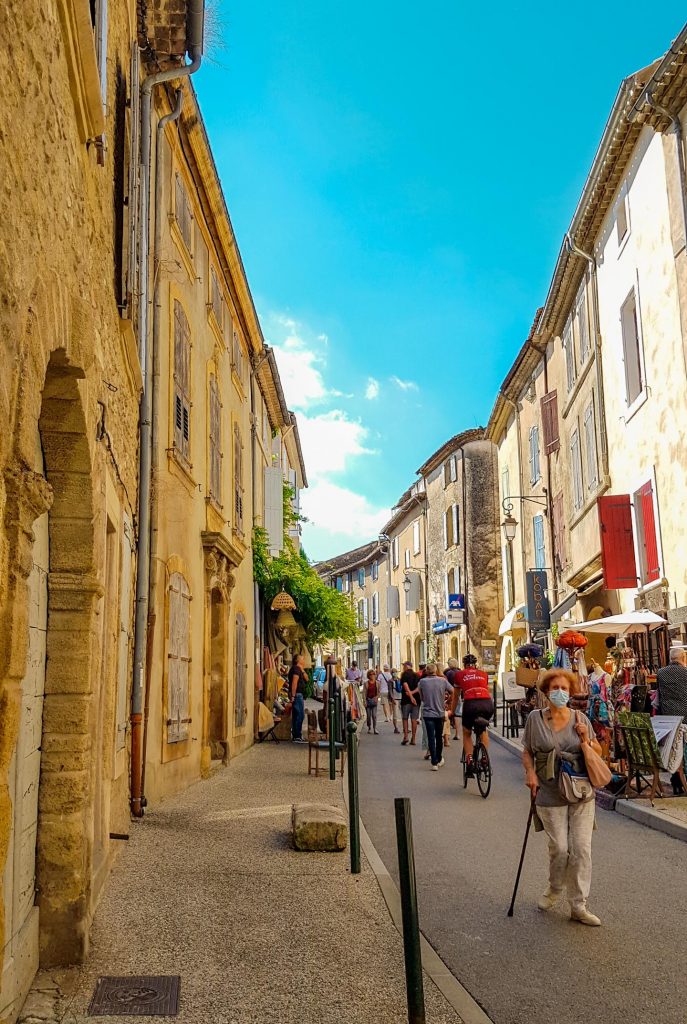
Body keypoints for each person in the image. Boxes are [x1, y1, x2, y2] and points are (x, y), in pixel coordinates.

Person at [522, 668, 602, 927]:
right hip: (549, 790)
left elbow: (598, 750)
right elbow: (527, 750)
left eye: (564, 689)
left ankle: (579, 904)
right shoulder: (535, 718)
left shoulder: (580, 718)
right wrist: (530, 773)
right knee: (560, 848)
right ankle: (555, 887)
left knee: (581, 849)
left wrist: (584, 738)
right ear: (545, 692)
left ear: (570, 691)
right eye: (554, 688)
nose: (560, 692)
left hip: (580, 791)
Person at [452, 653, 494, 770]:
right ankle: (484, 758)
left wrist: (452, 711)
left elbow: (455, 696)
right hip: (487, 703)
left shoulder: (459, 674)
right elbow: (487, 689)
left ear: (464, 665)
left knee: (467, 732)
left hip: (471, 704)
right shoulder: (483, 674)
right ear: (475, 664)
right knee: (483, 730)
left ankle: (469, 759)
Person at [657, 647, 687, 793]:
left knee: (674, 749)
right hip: (685, 717)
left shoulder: (661, 673)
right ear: (683, 658)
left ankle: (676, 780)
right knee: (683, 749)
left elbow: (659, 696)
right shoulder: (686, 673)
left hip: (668, 718)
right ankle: (683, 779)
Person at [418, 663, 454, 770]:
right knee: (439, 737)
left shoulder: (422, 682)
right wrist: (447, 701)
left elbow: (421, 697)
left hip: (428, 713)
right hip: (439, 712)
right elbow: (453, 691)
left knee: (431, 737)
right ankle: (439, 758)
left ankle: (433, 762)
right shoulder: (442, 681)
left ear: (426, 671)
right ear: (435, 670)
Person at [288, 654, 308, 742]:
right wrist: (293, 695)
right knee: (300, 714)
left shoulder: (299, 669)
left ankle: (296, 735)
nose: (304, 660)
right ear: (298, 660)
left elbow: (307, 679)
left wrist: (302, 669)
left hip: (299, 694)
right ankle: (297, 735)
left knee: (297, 714)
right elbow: (294, 682)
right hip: (297, 694)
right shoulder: (296, 669)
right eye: (302, 658)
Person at [400, 661, 420, 745]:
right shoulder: (417, 675)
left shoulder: (404, 674)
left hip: (406, 699)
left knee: (405, 718)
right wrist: (413, 693)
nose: (403, 667)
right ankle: (414, 738)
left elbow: (405, 685)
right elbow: (419, 687)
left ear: (407, 666)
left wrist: (410, 695)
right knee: (414, 719)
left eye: (404, 665)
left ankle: (406, 736)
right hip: (417, 699)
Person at [445, 657, 460, 739]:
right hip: (459, 694)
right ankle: (457, 733)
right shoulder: (460, 672)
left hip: (451, 694)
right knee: (456, 714)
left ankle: (447, 734)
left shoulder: (449, 673)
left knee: (448, 713)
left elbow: (447, 685)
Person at [364, 670, 379, 734]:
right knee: (368, 716)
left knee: (374, 715)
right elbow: (364, 693)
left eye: (373, 674)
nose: (372, 675)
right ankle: (369, 727)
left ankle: (375, 728)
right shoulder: (366, 683)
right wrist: (364, 701)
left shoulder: (377, 683)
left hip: (374, 701)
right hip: (368, 700)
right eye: (370, 674)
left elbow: (379, 692)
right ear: (368, 675)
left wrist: (377, 697)